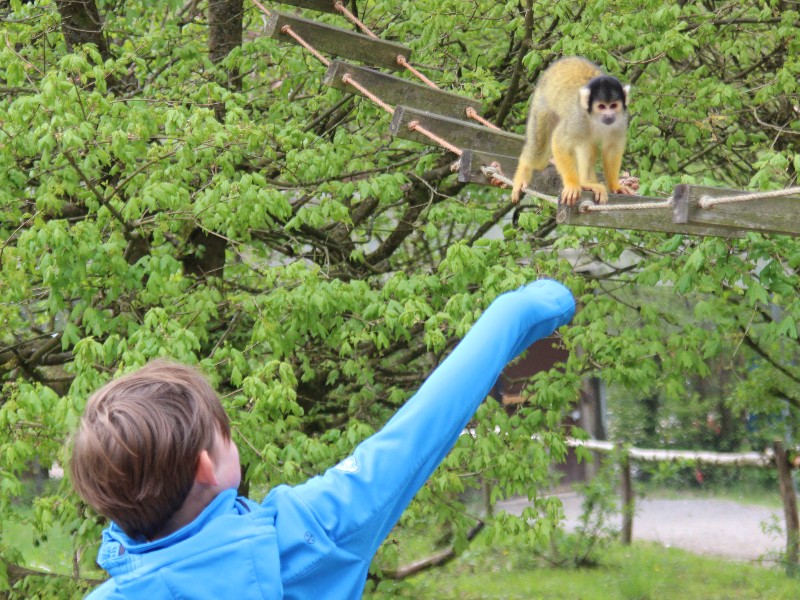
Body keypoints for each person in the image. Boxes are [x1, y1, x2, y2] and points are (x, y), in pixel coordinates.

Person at [70, 279, 575, 599]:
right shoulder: (307, 534)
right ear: (207, 468)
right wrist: (528, 307)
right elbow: (419, 430)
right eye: (226, 438)